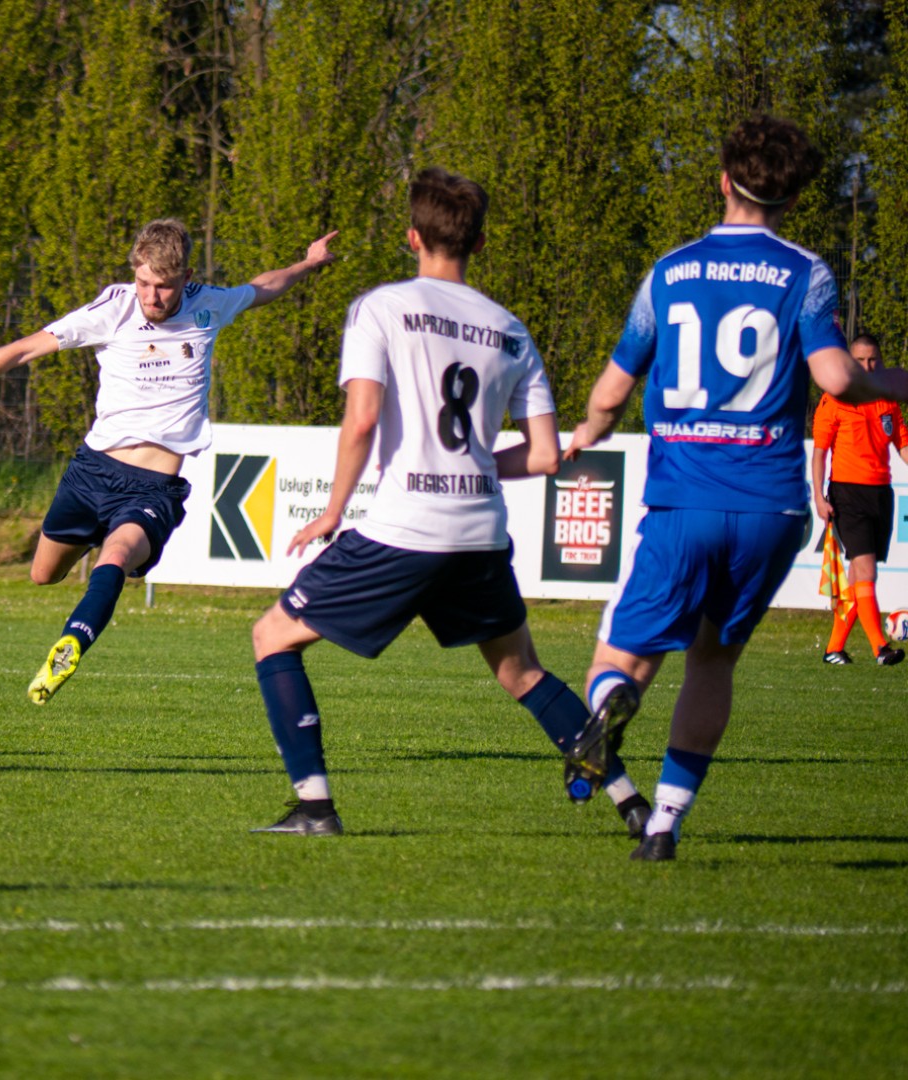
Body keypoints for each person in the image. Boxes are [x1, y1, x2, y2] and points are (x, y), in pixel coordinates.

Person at [247, 167, 647, 838]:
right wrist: (469, 465)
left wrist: (334, 508)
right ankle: (634, 807)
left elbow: (363, 420)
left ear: (412, 237)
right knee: (522, 672)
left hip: (404, 528)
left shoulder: (380, 307)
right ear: (480, 243)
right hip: (480, 533)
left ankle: (315, 808)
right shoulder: (511, 329)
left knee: (272, 637)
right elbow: (546, 456)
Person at [566, 116, 908, 861]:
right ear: (791, 197)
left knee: (617, 659)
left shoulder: (672, 270)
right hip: (770, 507)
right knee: (713, 661)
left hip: (684, 497)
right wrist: (895, 382)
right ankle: (664, 825)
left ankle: (608, 704)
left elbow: (613, 387)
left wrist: (589, 429)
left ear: (723, 180)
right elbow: (837, 378)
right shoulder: (805, 273)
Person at [0, 219, 337, 705]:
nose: (152, 296)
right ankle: (90, 566)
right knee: (43, 574)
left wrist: (308, 263)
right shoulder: (113, 309)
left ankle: (71, 644)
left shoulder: (209, 305)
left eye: (164, 286)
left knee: (114, 556)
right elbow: (25, 348)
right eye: (145, 282)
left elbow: (262, 288)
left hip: (153, 487)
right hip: (92, 473)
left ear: (187, 277)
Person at [812, 331, 907, 666]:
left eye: (873, 360)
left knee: (860, 576)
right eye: (860, 360)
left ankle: (834, 648)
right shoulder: (835, 398)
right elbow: (820, 453)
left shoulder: (888, 400)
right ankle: (880, 647)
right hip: (847, 492)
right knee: (864, 569)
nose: (867, 366)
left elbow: (903, 446)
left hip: (881, 493)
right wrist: (818, 496)